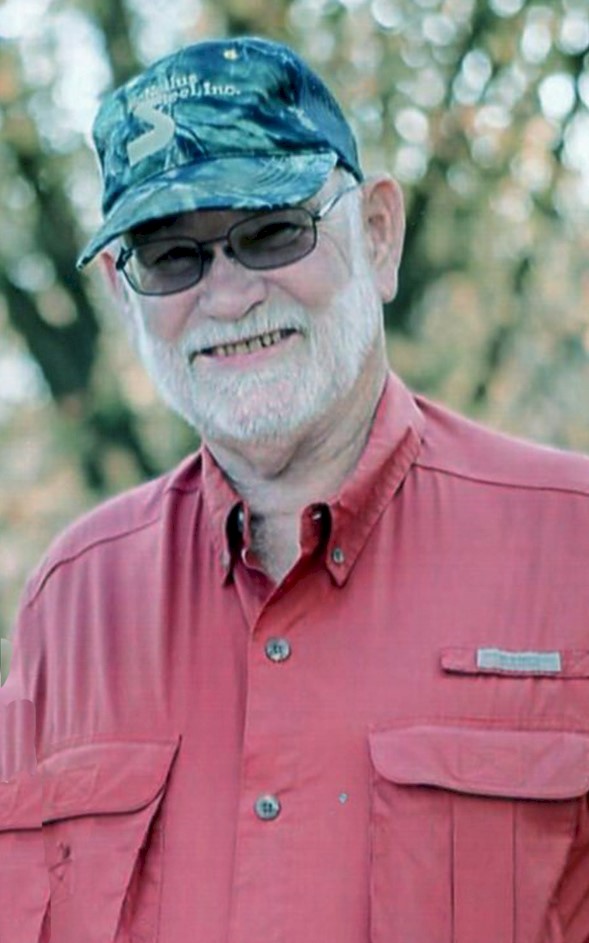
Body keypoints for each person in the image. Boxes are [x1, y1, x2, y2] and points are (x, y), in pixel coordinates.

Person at [5, 34, 589, 943]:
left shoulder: (569, 550)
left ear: (378, 234)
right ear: (125, 296)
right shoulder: (72, 601)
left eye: (273, 230)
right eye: (171, 256)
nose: (228, 295)